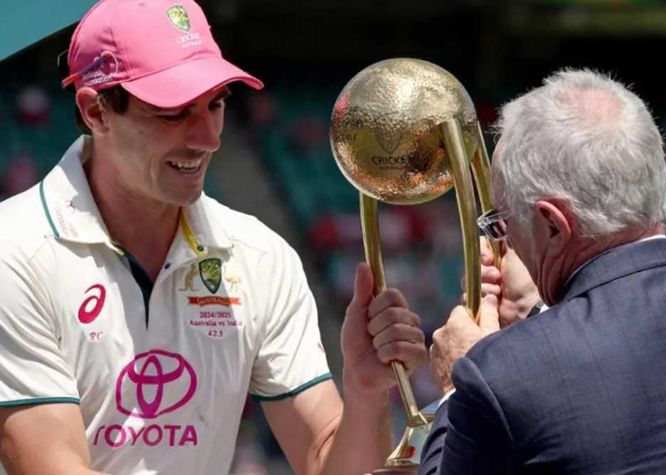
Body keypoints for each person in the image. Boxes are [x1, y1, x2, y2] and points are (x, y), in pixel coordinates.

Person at [0, 1, 427, 474]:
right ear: (95, 111)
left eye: (216, 104)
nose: (207, 138)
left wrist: (366, 396)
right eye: (173, 112)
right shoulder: (15, 251)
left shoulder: (260, 256)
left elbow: (327, 462)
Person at [420, 68, 666, 474]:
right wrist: (540, 316)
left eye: (503, 221)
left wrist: (456, 387)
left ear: (554, 224)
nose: (506, 241)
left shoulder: (499, 376)